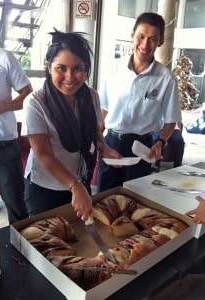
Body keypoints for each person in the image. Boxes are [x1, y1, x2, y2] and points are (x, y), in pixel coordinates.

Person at [22, 30, 119, 221]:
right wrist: (74, 185)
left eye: (77, 69)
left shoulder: (91, 96)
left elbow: (93, 131)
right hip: (45, 188)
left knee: (81, 239)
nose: (69, 77)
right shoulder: (35, 102)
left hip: (79, 181)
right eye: (61, 68)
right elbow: (44, 154)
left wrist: (104, 147)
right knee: (49, 242)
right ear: (48, 66)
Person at [97, 12, 182, 192]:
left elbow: (170, 119)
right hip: (111, 143)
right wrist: (98, 141)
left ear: (160, 42)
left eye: (152, 39)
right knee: (104, 198)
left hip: (142, 147)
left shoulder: (165, 78)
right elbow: (103, 109)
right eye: (141, 36)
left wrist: (160, 142)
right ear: (132, 36)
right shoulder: (113, 70)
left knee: (135, 198)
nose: (145, 44)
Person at [0, 41, 32, 232]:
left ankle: (21, 254)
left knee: (16, 205)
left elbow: (27, 92)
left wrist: (4, 107)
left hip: (5, 146)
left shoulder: (3, 57)